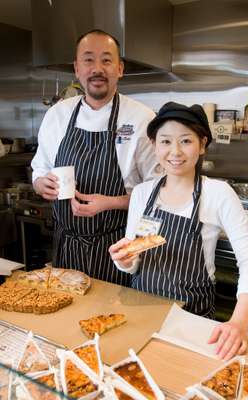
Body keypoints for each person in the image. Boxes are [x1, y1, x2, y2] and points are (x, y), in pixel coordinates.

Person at [109, 102, 248, 360]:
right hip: (141, 315)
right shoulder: (142, 194)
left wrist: (239, 322)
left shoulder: (218, 194)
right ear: (154, 144)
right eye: (166, 141)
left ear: (202, 144)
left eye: (186, 141)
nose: (175, 152)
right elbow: (134, 263)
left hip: (193, 321)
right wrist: (124, 261)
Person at [31, 29, 157, 285]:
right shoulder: (57, 115)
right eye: (88, 60)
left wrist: (110, 203)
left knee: (113, 321)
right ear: (77, 69)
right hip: (66, 248)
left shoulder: (142, 119)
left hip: (119, 252)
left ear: (120, 68)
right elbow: (39, 169)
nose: (97, 68)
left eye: (106, 60)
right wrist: (40, 184)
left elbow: (158, 192)